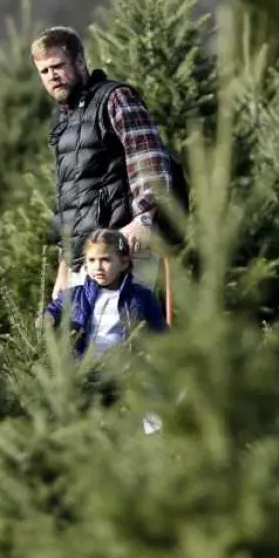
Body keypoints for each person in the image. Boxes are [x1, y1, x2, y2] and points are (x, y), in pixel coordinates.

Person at [30, 26, 177, 301]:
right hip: (86, 257)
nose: (53, 77)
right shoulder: (66, 121)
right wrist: (65, 267)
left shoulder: (115, 98)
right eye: (44, 71)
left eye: (58, 66)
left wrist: (144, 218)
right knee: (86, 343)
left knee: (122, 339)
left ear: (80, 61)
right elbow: (71, 201)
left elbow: (149, 159)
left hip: (123, 248)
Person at [44, 229, 167, 359]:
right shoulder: (76, 294)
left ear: (123, 263)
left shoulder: (141, 297)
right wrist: (47, 318)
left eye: (105, 260)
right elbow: (54, 309)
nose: (98, 267)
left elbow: (161, 332)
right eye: (92, 260)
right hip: (85, 370)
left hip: (127, 372)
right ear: (85, 265)